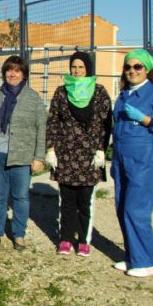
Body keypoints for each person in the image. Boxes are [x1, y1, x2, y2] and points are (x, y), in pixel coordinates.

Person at [111, 49, 153, 277]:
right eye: (128, 67)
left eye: (137, 67)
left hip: (143, 161)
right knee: (121, 208)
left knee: (135, 209)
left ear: (147, 70)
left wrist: (145, 119)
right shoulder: (124, 95)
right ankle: (133, 257)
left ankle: (147, 262)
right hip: (122, 159)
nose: (132, 71)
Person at [45, 52, 112, 257]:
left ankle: (83, 240)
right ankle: (65, 238)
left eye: (81, 67)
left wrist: (102, 148)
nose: (77, 71)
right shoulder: (61, 92)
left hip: (89, 156)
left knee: (85, 200)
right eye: (74, 67)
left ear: (88, 69)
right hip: (66, 155)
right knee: (66, 201)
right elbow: (53, 122)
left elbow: (106, 123)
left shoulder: (99, 92)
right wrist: (50, 149)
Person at [0, 55, 46, 251]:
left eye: (17, 70)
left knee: (21, 197)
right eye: (9, 70)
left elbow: (41, 128)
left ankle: (19, 234)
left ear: (24, 73)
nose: (12, 74)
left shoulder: (33, 98)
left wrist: (38, 156)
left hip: (22, 156)